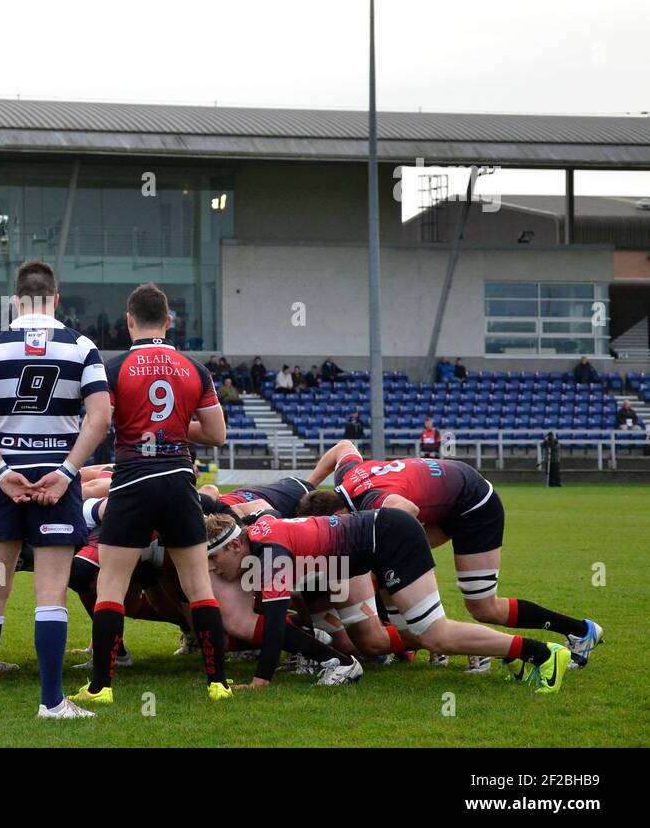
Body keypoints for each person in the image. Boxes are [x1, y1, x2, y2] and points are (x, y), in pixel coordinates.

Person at [0, 258, 110, 718]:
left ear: (17, 301)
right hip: (56, 480)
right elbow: (100, 416)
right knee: (51, 594)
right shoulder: (81, 346)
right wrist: (69, 472)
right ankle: (51, 702)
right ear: (56, 300)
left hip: (5, 481)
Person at [301, 440, 604, 670]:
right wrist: (310, 485)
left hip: (472, 505)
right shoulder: (346, 480)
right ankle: (441, 639)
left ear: (339, 515)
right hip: (447, 491)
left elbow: (407, 511)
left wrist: (404, 565)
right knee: (384, 568)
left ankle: (580, 631)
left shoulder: (370, 500)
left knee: (485, 608)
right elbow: (343, 447)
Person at [206, 508, 572, 694]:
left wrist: (260, 681)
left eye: (214, 559)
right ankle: (513, 654)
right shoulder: (255, 533)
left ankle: (542, 654)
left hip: (390, 538)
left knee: (433, 634)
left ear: (237, 545)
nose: (212, 568)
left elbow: (272, 627)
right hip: (380, 538)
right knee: (405, 633)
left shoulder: (269, 554)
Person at [72, 283, 230, 708]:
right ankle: (218, 682)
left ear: (129, 320)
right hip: (179, 479)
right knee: (199, 585)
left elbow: (99, 423)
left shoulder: (115, 366)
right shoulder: (195, 369)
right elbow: (216, 434)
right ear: (169, 321)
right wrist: (177, 429)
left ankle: (101, 687)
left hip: (131, 481)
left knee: (111, 584)